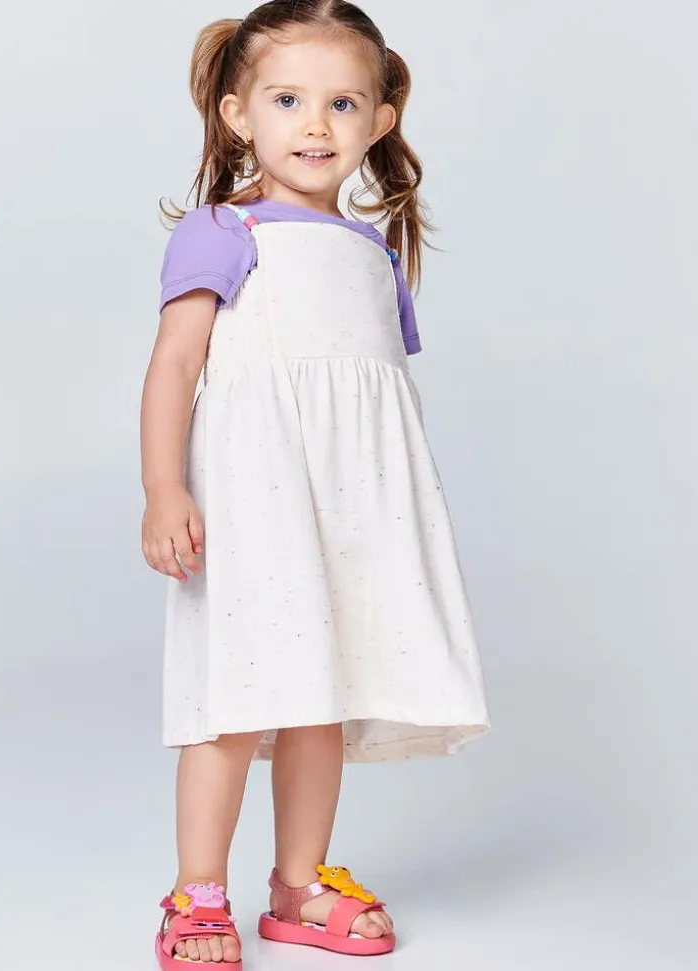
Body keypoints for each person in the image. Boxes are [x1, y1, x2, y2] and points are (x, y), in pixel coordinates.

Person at [140, 1, 490, 966]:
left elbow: (370, 405)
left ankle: (298, 882)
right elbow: (174, 364)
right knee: (236, 692)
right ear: (237, 113)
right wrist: (164, 488)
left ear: (380, 121)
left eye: (342, 103)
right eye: (288, 100)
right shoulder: (225, 230)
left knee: (318, 693)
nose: (316, 125)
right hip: (254, 500)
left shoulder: (371, 253)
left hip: (350, 510)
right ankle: (197, 890)